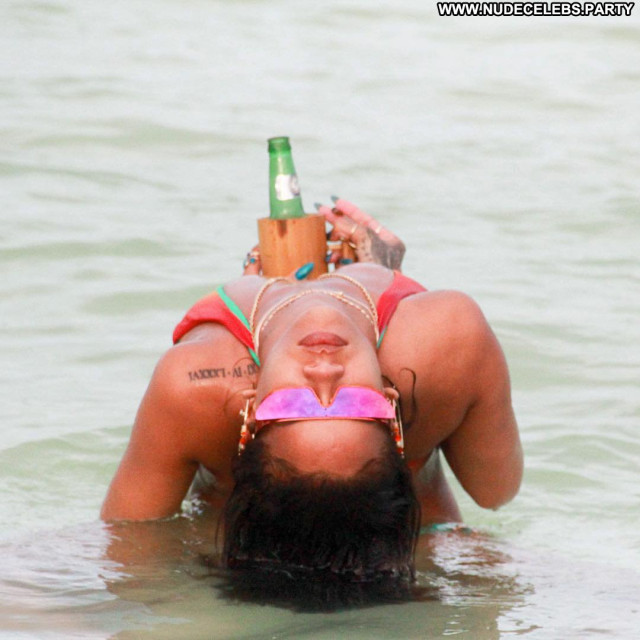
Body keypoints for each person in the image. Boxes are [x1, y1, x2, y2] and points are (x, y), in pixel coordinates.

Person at [101, 198, 523, 585]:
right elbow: (496, 491)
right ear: (390, 402)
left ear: (250, 409)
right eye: (354, 403)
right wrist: (386, 269)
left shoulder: (196, 387)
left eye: (294, 403)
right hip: (419, 553)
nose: (324, 369)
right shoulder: (449, 340)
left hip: (230, 559)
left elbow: (126, 547)